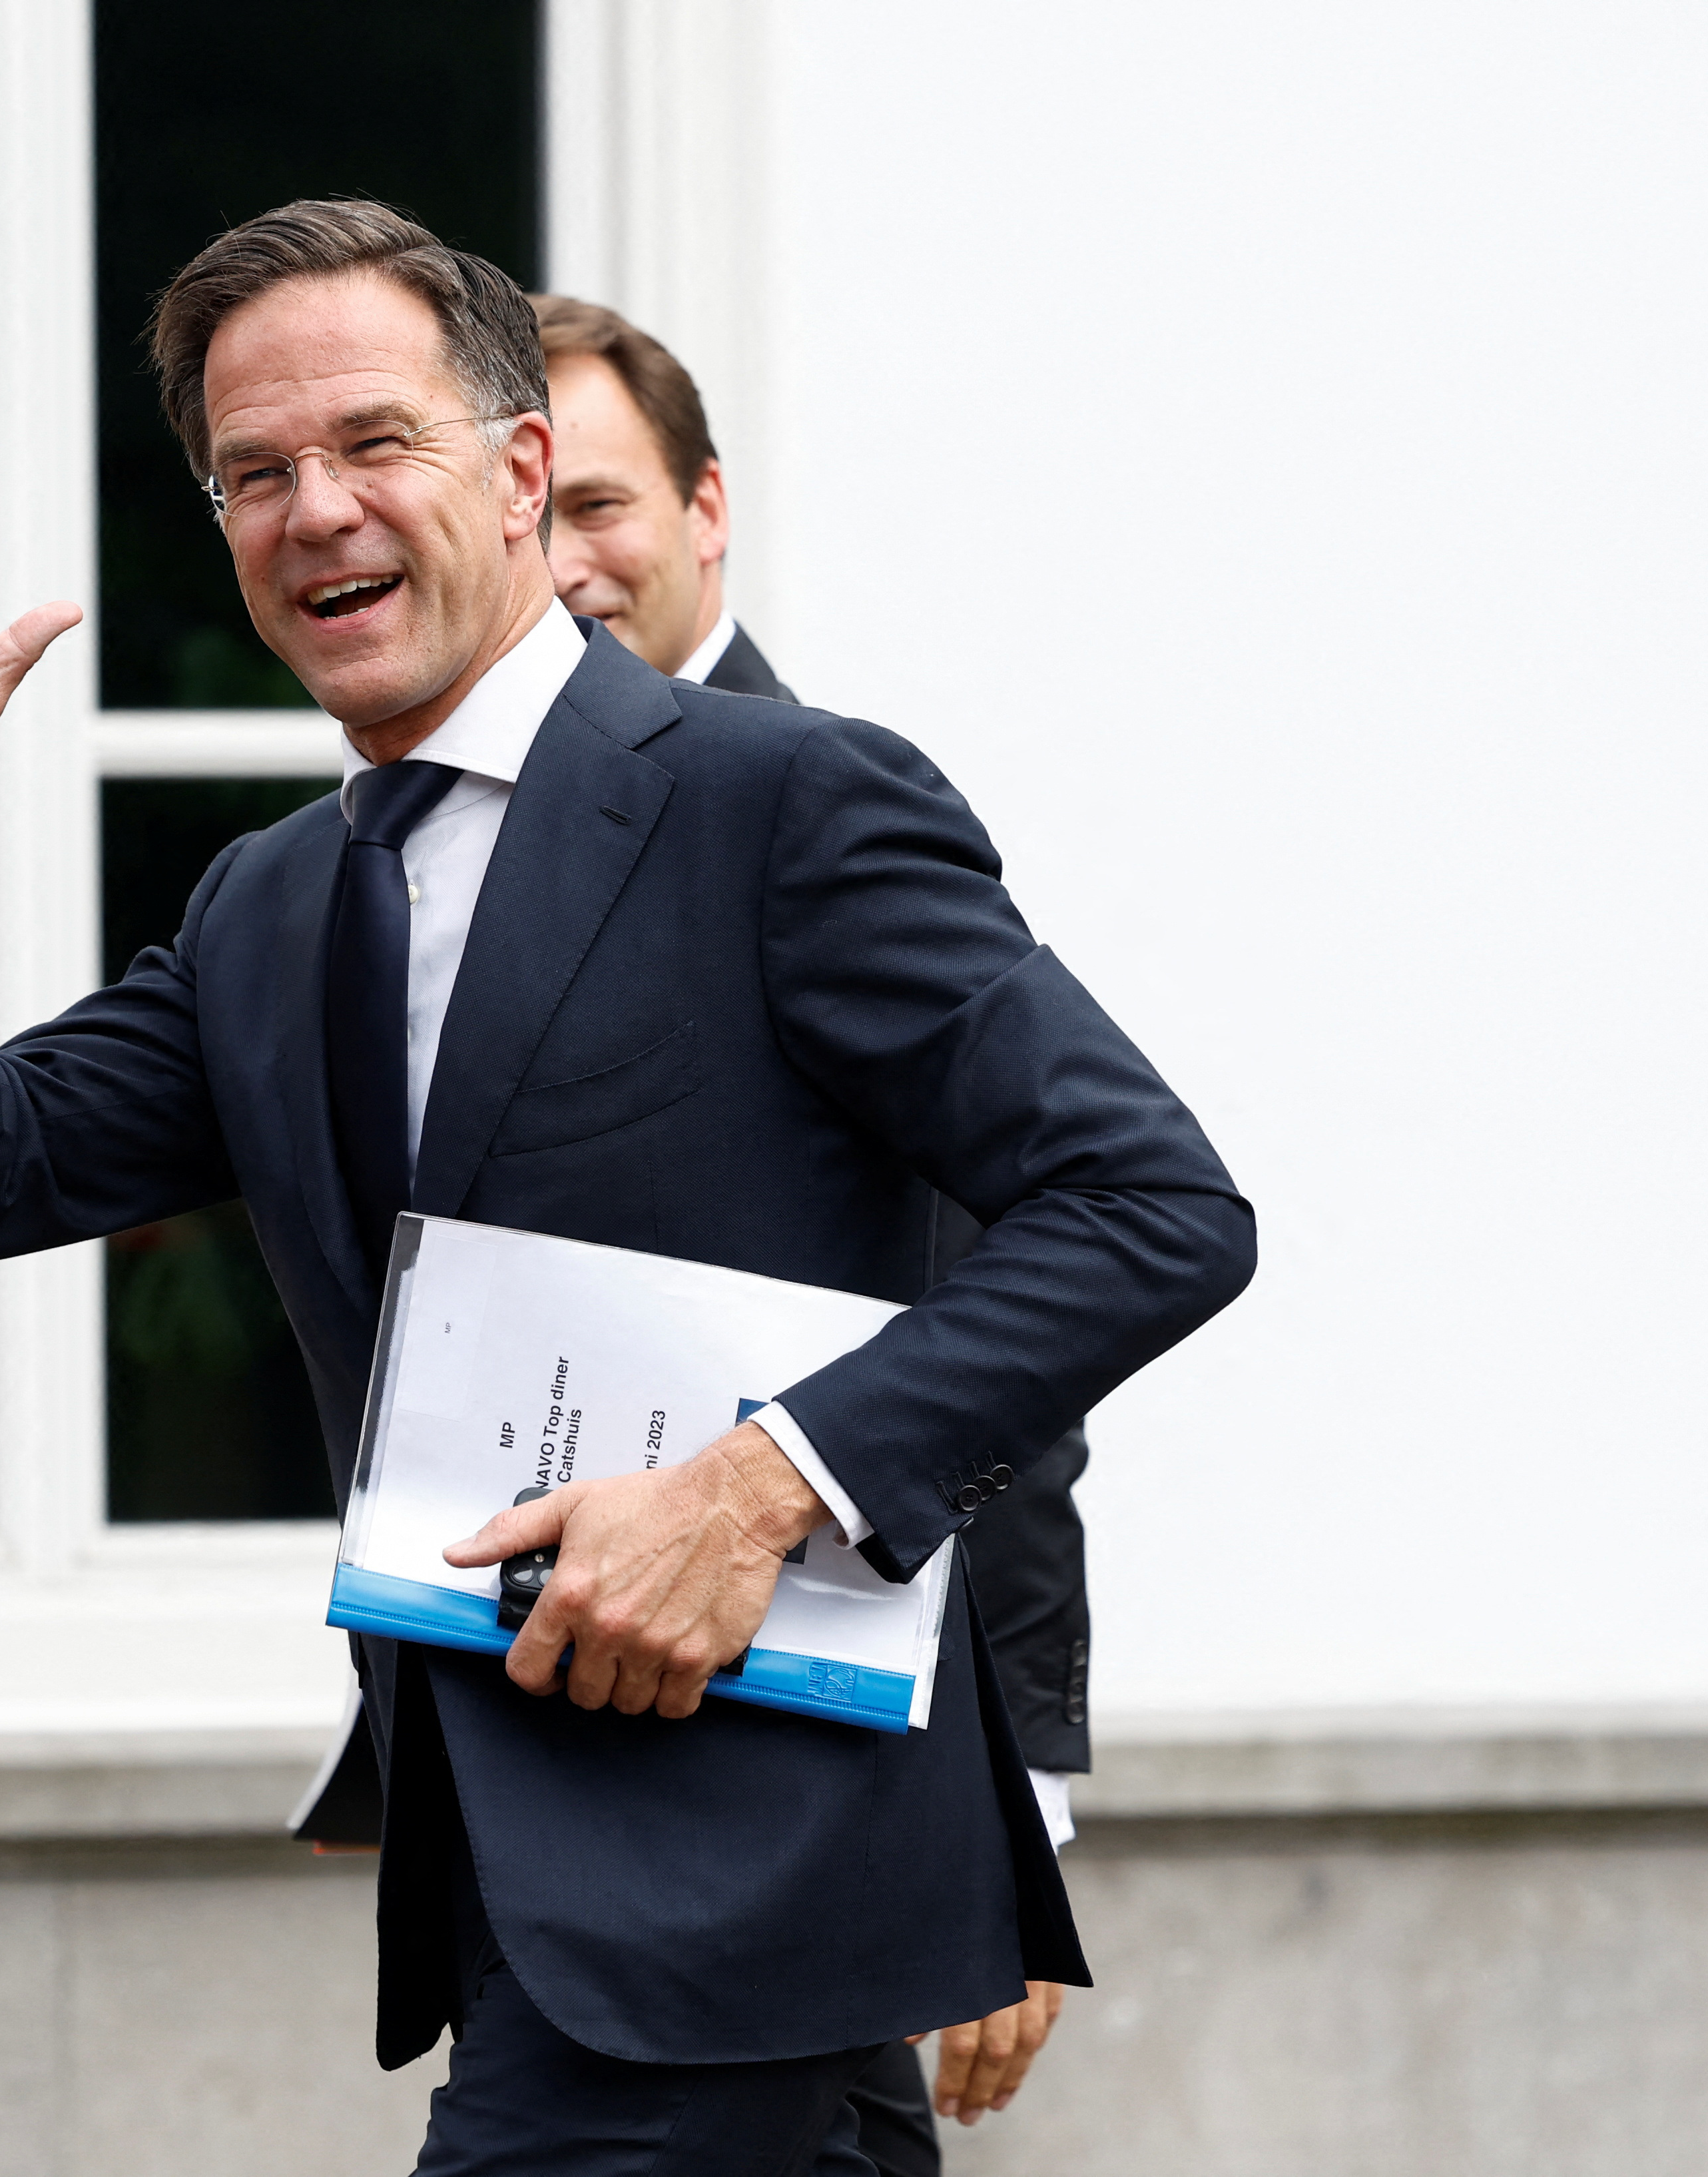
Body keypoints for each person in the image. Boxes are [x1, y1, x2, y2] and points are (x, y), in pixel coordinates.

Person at [0, 199, 1253, 2176]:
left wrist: (762, 1483)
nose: (318, 511)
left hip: (756, 1881)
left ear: (522, 470)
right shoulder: (268, 904)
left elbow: (1152, 1207)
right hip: (524, 1901)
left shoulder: (782, 801)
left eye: (376, 445)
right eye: (258, 472)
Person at [530, 290, 1091, 2169]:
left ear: (706, 511)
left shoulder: (815, 803)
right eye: (525, 513)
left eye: (600, 504)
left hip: (839, 1764)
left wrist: (1021, 1815)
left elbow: (1017, 1310)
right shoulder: (448, 831)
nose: (564, 562)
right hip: (571, 1769)